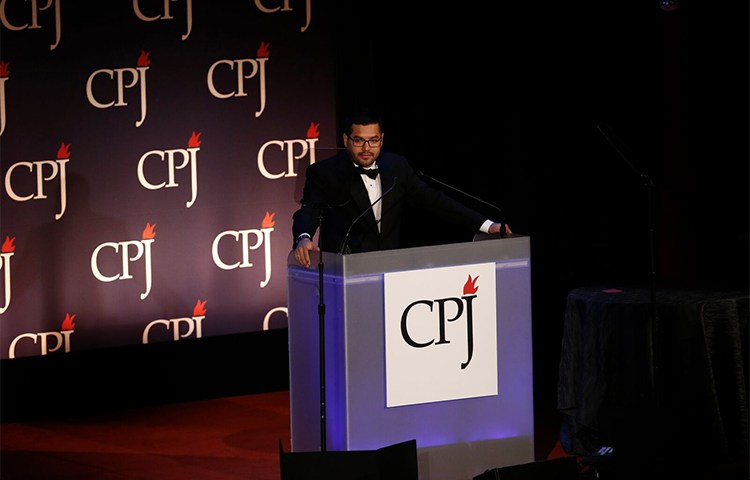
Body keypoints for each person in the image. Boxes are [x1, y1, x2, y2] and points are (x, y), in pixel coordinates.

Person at [291, 109, 511, 268]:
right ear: (346, 140)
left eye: (373, 140)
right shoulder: (325, 172)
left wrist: (486, 225)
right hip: (346, 270)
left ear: (382, 139)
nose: (367, 148)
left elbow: (435, 202)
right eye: (359, 141)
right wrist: (303, 237)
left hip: (391, 268)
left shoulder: (396, 166)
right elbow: (309, 211)